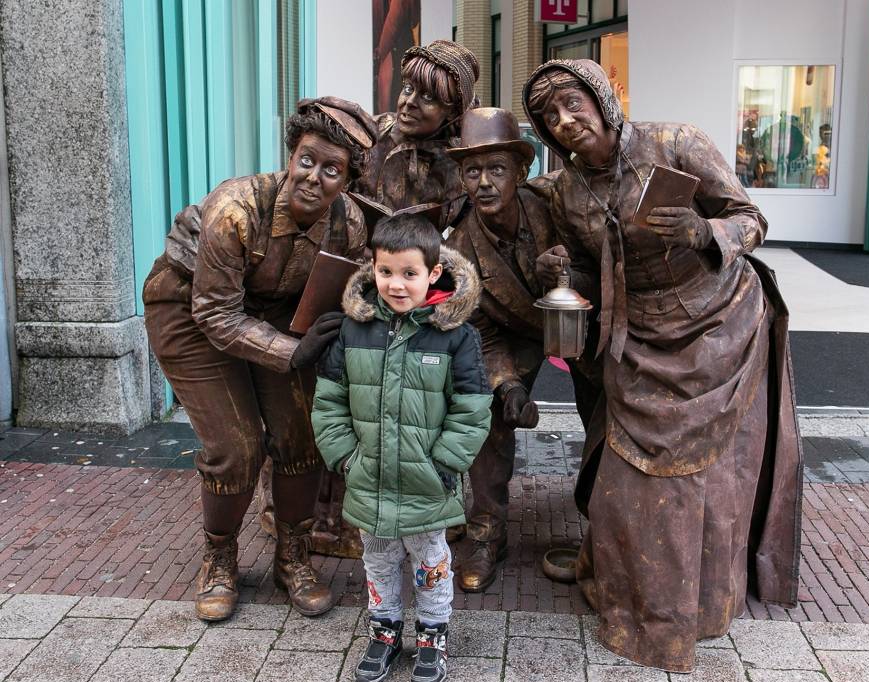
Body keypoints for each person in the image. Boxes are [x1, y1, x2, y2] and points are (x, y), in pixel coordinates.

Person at [522, 59, 802, 673]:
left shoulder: (676, 143)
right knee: (626, 486)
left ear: (603, 98)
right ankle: (629, 593)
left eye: (574, 105)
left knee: (708, 480)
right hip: (640, 337)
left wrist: (705, 230)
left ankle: (704, 603)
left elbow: (751, 220)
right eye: (550, 118)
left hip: (717, 326)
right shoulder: (567, 191)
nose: (566, 123)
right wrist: (558, 274)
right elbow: (585, 265)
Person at [142, 97, 376, 621]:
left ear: (348, 181)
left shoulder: (349, 225)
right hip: (191, 311)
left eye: (332, 170)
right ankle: (219, 558)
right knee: (237, 445)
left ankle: (292, 558)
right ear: (290, 155)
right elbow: (217, 315)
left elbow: (351, 293)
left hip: (273, 315)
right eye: (307, 160)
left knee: (303, 433)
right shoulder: (236, 209)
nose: (314, 177)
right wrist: (294, 352)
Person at [312, 213, 491, 682]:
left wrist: (444, 464)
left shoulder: (455, 336)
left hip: (426, 480)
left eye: (409, 273)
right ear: (372, 268)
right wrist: (347, 457)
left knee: (431, 558)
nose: (396, 284)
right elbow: (328, 401)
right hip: (368, 473)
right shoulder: (355, 330)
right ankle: (385, 630)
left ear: (433, 274)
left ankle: (433, 634)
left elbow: (472, 409)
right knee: (377, 557)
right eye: (385, 271)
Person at [445, 106, 599, 592]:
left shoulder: (556, 203)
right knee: (488, 414)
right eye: (472, 171)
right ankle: (488, 532)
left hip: (580, 320)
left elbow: (607, 266)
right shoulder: (461, 250)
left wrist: (568, 275)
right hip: (511, 333)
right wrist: (506, 384)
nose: (484, 182)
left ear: (521, 171)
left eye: (496, 169)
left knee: (606, 409)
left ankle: (606, 519)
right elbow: (477, 331)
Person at [353, 40, 480, 230]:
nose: (410, 102)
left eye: (428, 97)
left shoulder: (459, 164)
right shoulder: (367, 134)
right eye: (408, 89)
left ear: (452, 112)